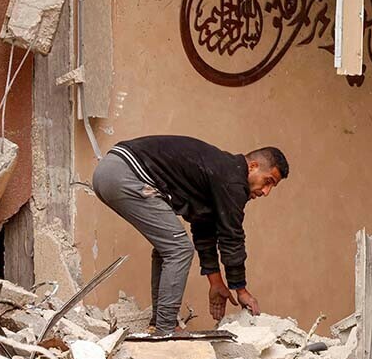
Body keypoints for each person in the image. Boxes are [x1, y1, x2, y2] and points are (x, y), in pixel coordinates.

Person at [92, 135, 289, 334]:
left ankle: (159, 323)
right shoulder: (232, 180)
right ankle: (165, 330)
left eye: (272, 186)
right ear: (253, 166)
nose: (266, 191)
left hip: (111, 171)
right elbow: (232, 238)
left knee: (168, 247)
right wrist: (241, 290)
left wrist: (216, 283)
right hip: (125, 173)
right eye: (268, 181)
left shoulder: (221, 174)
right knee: (179, 249)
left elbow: (204, 229)